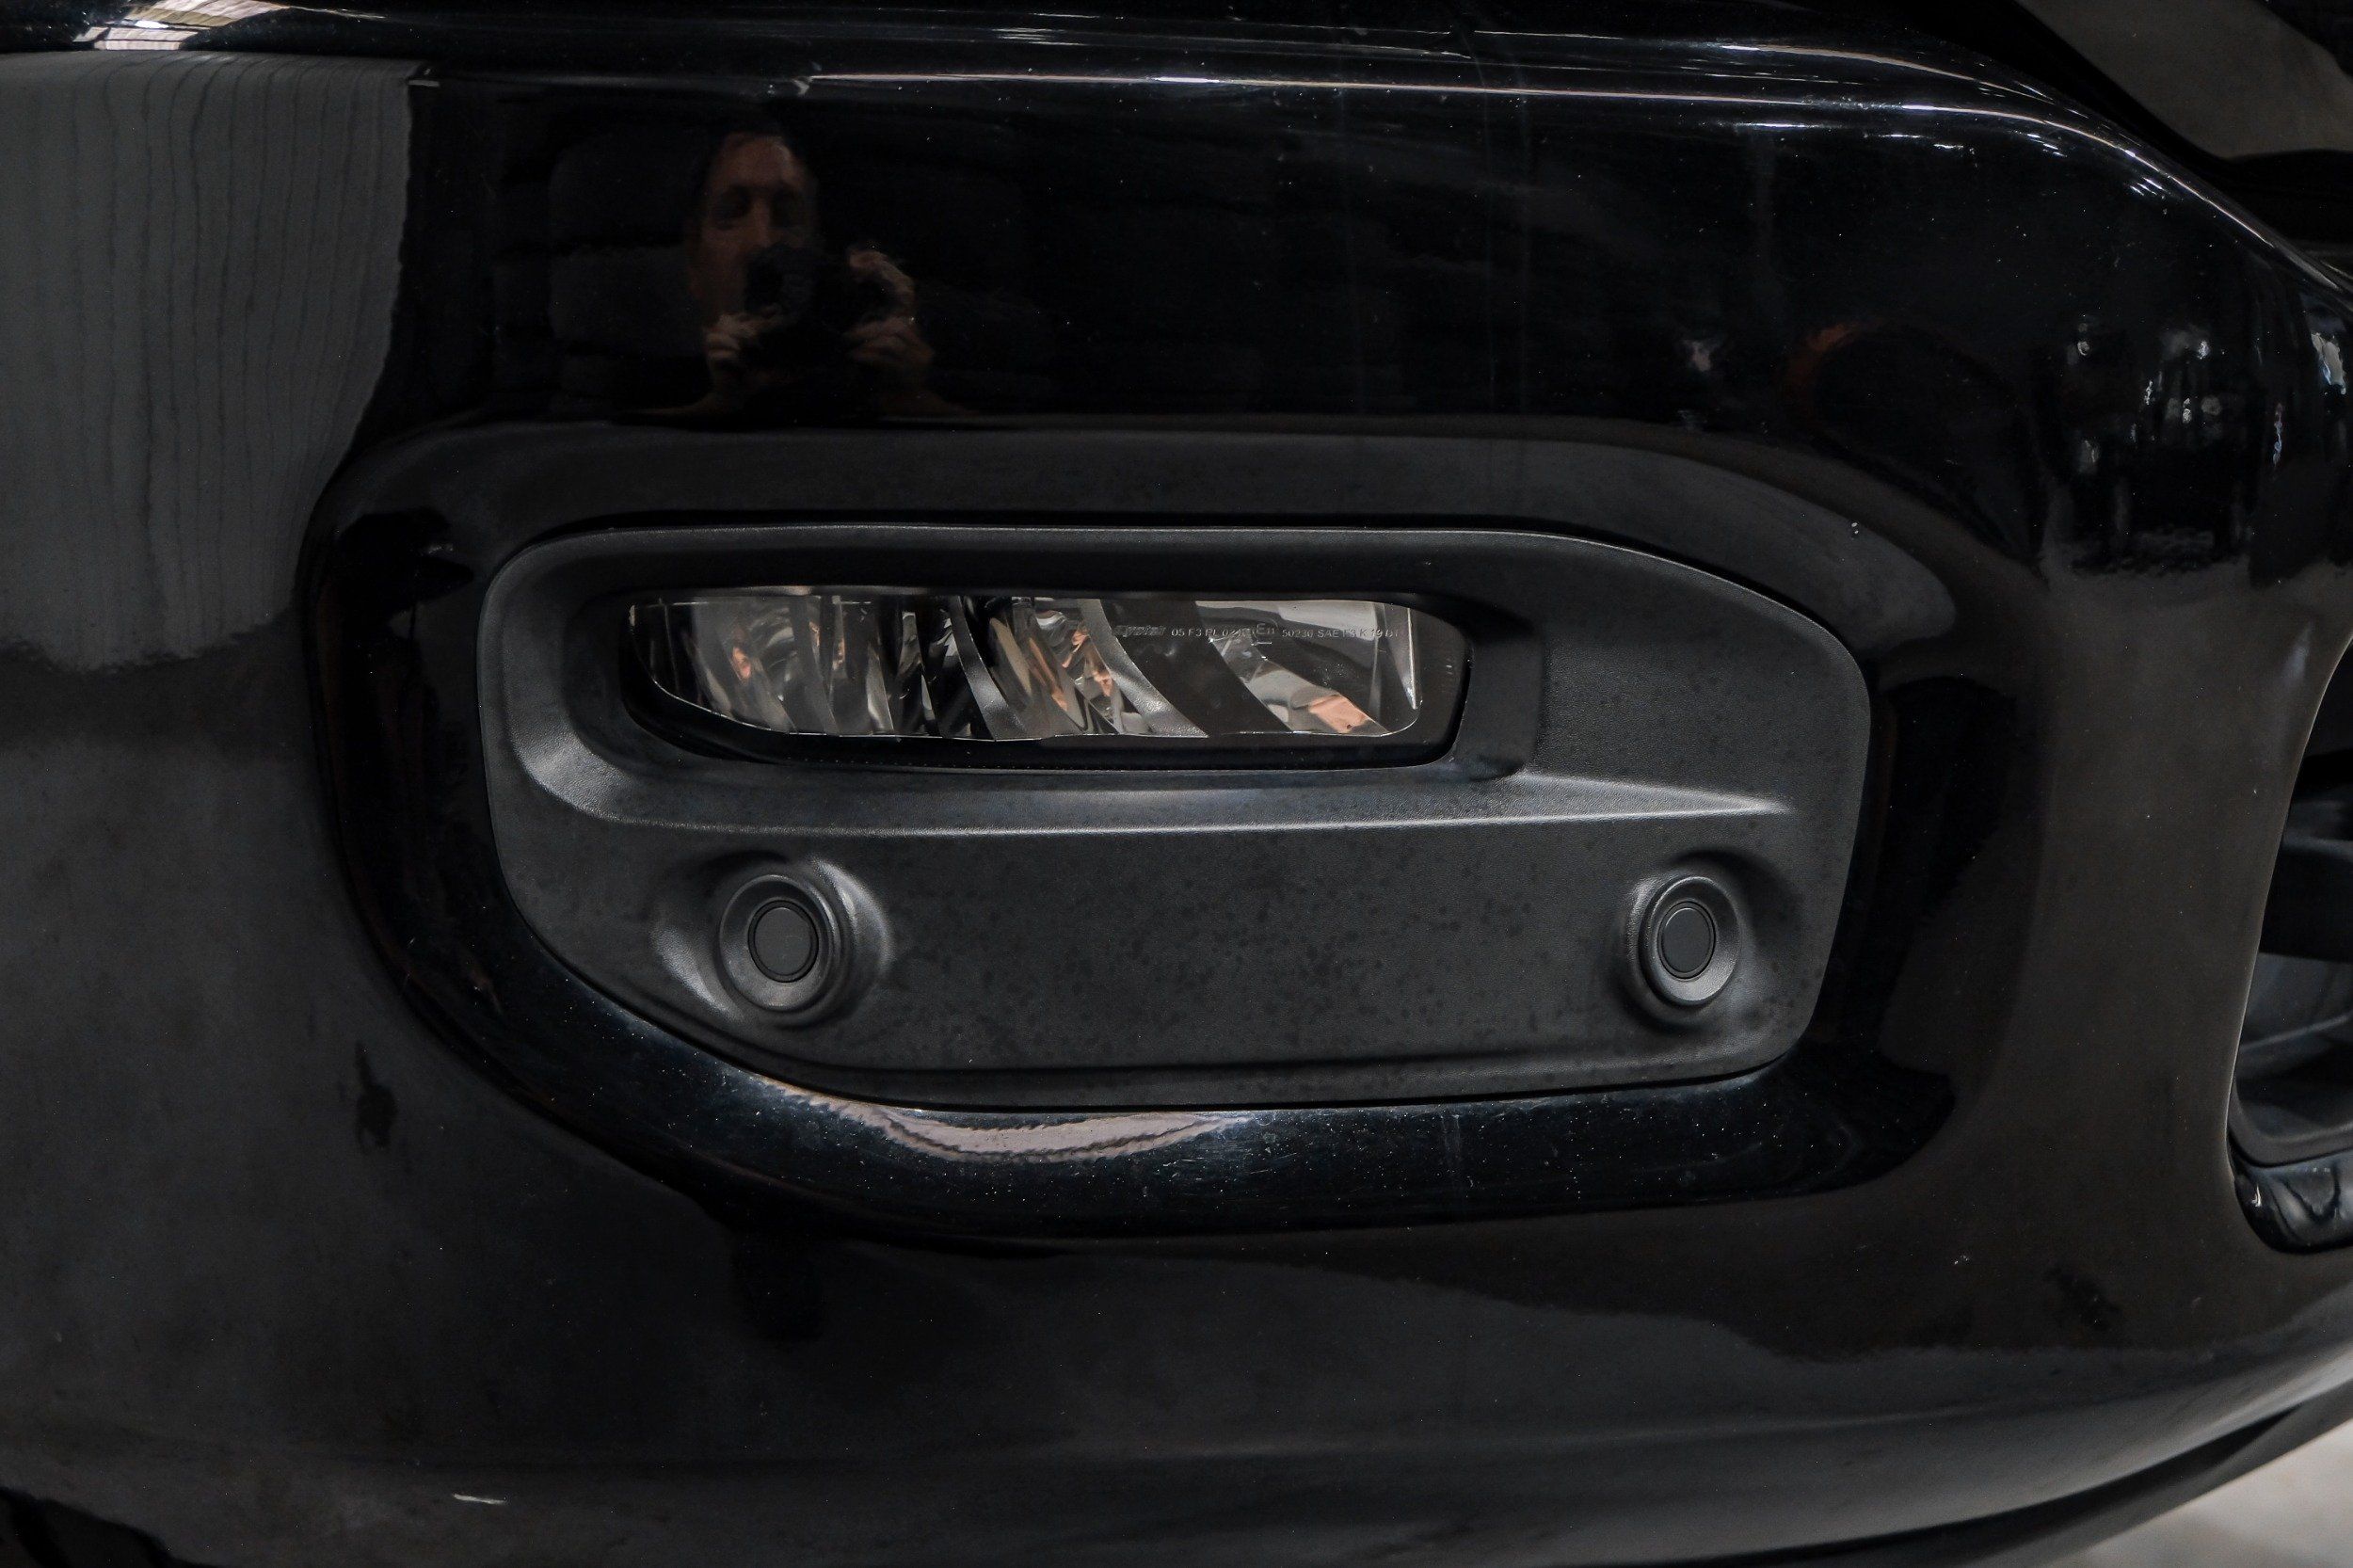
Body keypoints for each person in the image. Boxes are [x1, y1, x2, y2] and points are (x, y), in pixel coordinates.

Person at [677, 120, 953, 419]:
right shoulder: (653, 381)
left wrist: (906, 395)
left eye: (787, 216)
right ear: (693, 259)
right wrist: (720, 402)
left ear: (819, 248)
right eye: (732, 212)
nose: (762, 242)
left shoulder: (870, 372)